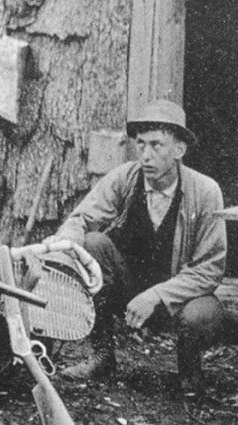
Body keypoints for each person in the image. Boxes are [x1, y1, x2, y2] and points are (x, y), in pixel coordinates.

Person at [36, 100, 226, 394]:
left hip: (176, 298)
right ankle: (101, 356)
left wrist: (157, 295)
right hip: (126, 288)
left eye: (156, 145)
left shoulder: (205, 191)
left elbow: (210, 269)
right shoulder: (125, 177)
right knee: (93, 245)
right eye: (140, 145)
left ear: (179, 150)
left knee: (203, 313)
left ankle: (189, 373)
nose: (146, 156)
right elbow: (82, 218)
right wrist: (67, 242)